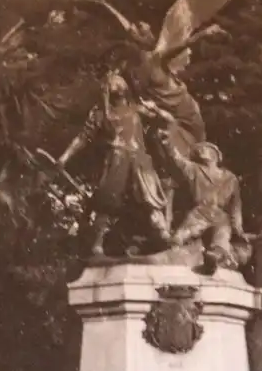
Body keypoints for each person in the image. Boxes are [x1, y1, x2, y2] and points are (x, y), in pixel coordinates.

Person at [57, 71, 170, 256]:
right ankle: (97, 245)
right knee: (107, 202)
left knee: (151, 201)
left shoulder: (137, 109)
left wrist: (155, 109)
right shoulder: (100, 115)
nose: (116, 84)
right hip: (116, 160)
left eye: (120, 81)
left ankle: (164, 235)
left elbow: (168, 121)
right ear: (106, 89)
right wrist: (64, 157)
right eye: (112, 83)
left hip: (139, 160)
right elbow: (82, 138)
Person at [158, 129, 249, 268]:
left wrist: (239, 228)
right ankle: (176, 256)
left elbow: (236, 207)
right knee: (178, 238)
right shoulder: (194, 169)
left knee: (221, 238)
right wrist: (168, 143)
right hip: (199, 212)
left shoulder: (231, 178)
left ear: (216, 155)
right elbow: (178, 160)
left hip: (220, 215)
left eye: (203, 149)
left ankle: (214, 258)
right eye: (197, 151)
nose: (200, 151)